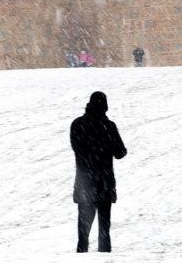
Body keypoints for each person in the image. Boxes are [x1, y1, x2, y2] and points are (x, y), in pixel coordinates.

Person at [70, 91, 127, 253]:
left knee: (83, 232)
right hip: (104, 183)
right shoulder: (109, 127)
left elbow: (77, 149)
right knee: (104, 232)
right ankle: (104, 257)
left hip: (84, 183)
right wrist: (106, 144)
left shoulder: (77, 124)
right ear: (105, 106)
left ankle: (81, 257)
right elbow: (120, 153)